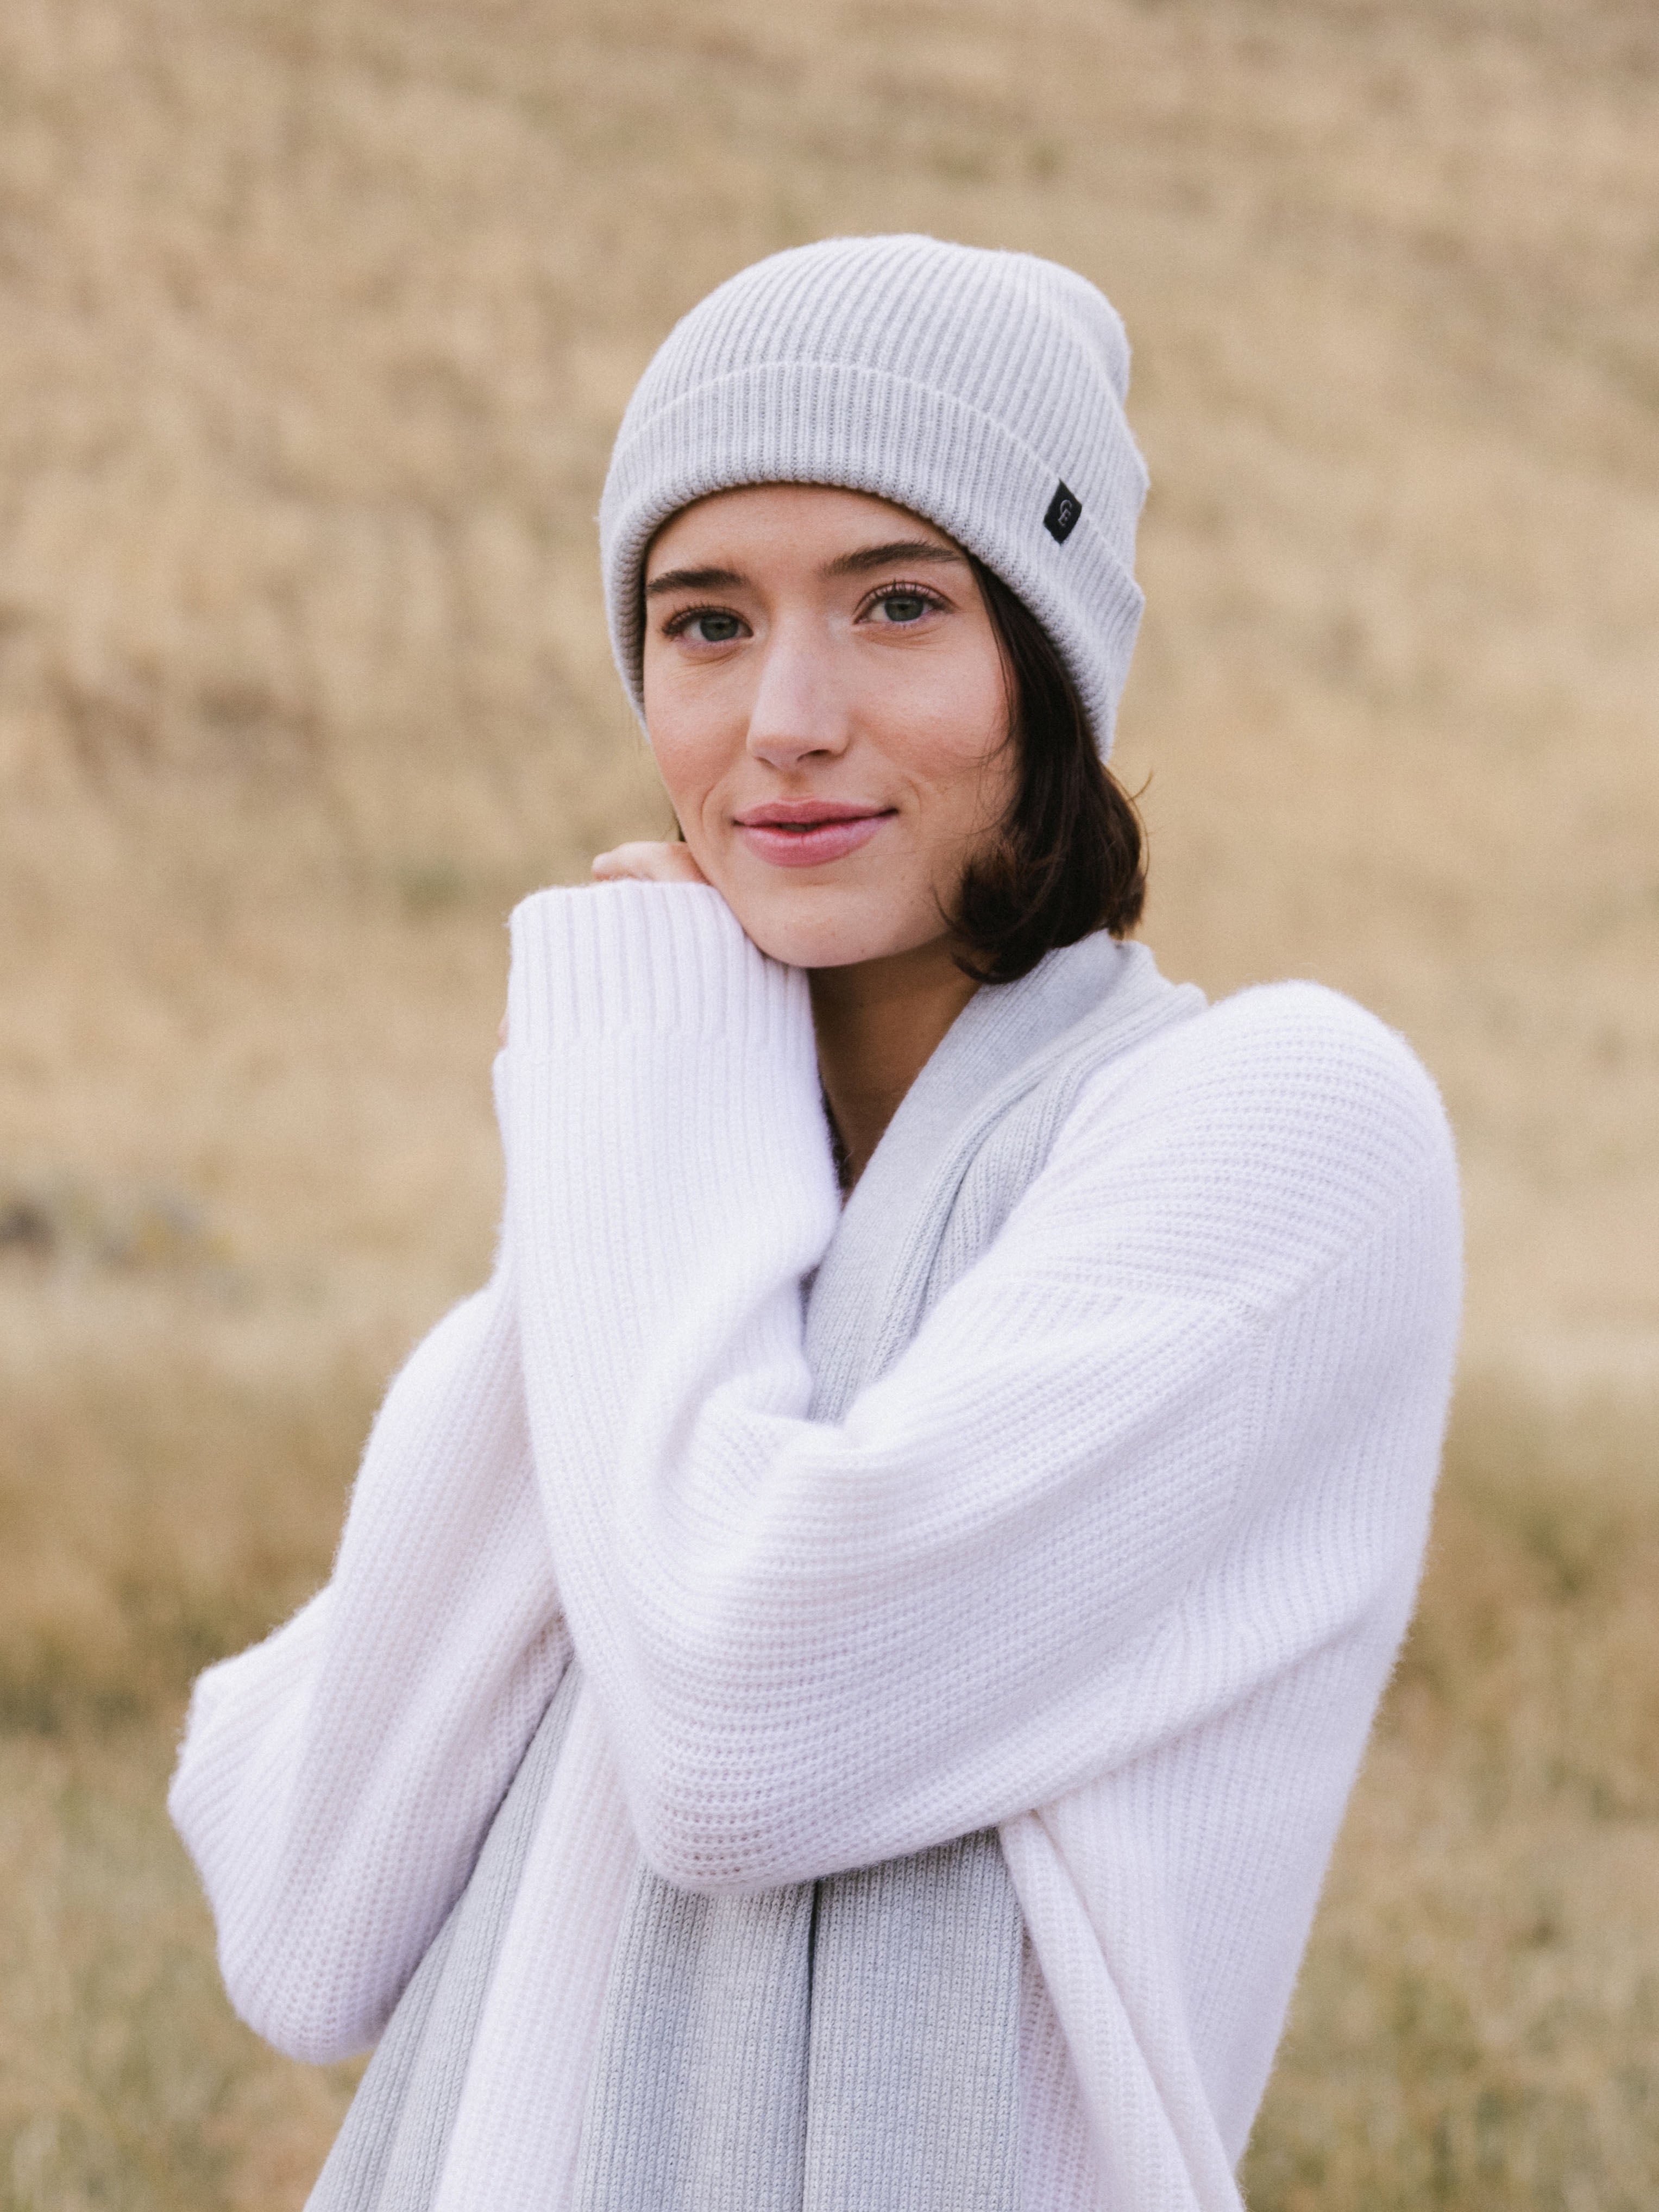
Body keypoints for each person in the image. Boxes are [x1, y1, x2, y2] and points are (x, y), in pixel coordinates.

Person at [171, 235, 1462, 2212]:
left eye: (896, 604)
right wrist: (626, 1126)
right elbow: (305, 1916)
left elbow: (737, 1732)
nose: (785, 713)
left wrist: (639, 1106)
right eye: (704, 622)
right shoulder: (679, 1225)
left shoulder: (1278, 1133)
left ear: (1044, 663)